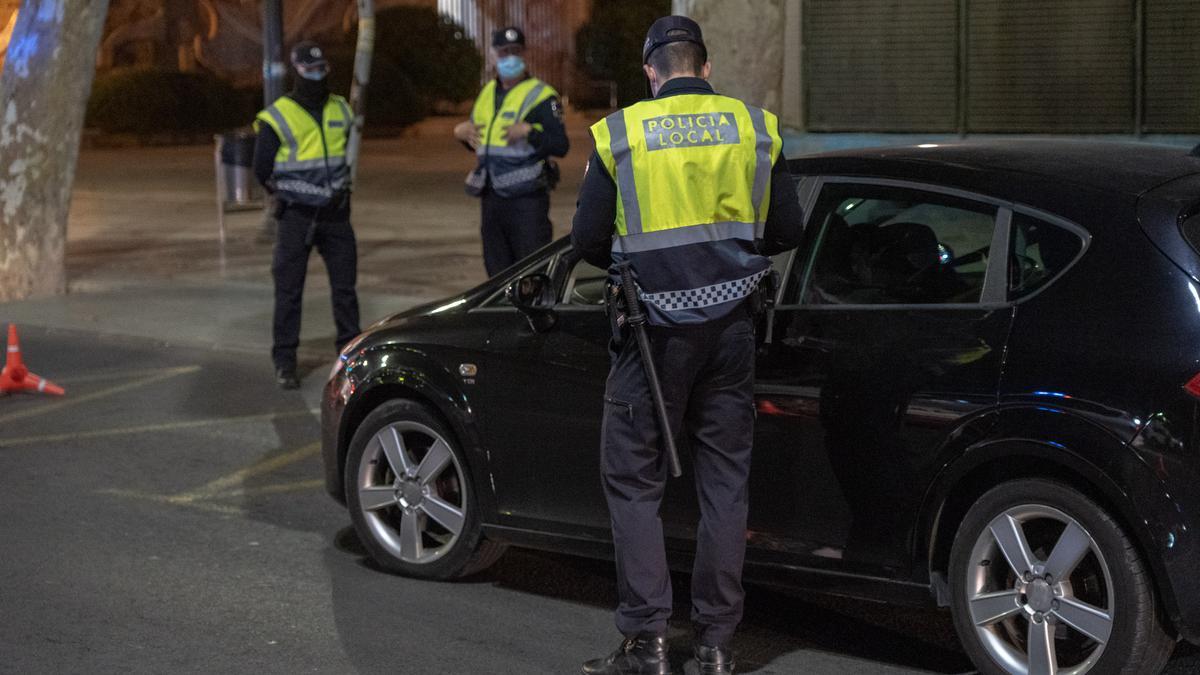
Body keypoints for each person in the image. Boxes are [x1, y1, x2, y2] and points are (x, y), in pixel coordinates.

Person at [571, 16, 804, 675]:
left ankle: (647, 644)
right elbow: (788, 225)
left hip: (652, 337)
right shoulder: (753, 127)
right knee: (725, 483)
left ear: (650, 70)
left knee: (633, 480)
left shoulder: (621, 135)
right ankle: (716, 644)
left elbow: (587, 240)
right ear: (704, 67)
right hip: (733, 331)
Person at [253, 40, 361, 390]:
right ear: (296, 70)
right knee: (289, 292)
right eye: (309, 70)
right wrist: (286, 197)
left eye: (321, 70)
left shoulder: (341, 109)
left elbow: (350, 151)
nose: (316, 76)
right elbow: (261, 168)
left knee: (345, 292)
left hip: (336, 215)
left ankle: (350, 360)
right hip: (297, 216)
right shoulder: (278, 115)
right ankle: (285, 361)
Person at [454, 26, 569, 277]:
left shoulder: (541, 95)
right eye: (504, 51)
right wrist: (461, 134)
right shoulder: (486, 93)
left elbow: (561, 145)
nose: (510, 57)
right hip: (491, 198)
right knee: (496, 275)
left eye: (515, 51)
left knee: (531, 274)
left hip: (526, 200)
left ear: (524, 53)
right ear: (494, 54)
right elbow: (480, 139)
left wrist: (529, 131)